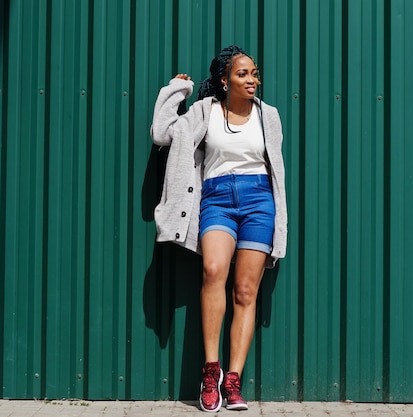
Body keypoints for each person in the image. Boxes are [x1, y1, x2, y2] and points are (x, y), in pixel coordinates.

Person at [150, 45, 287, 412]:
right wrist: (175, 91)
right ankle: (211, 372)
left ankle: (234, 383)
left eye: (254, 73)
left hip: (259, 201)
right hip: (216, 199)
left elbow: (275, 170)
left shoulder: (268, 116)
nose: (252, 80)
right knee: (213, 271)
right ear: (224, 80)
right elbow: (162, 133)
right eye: (243, 74)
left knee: (245, 291)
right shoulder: (204, 112)